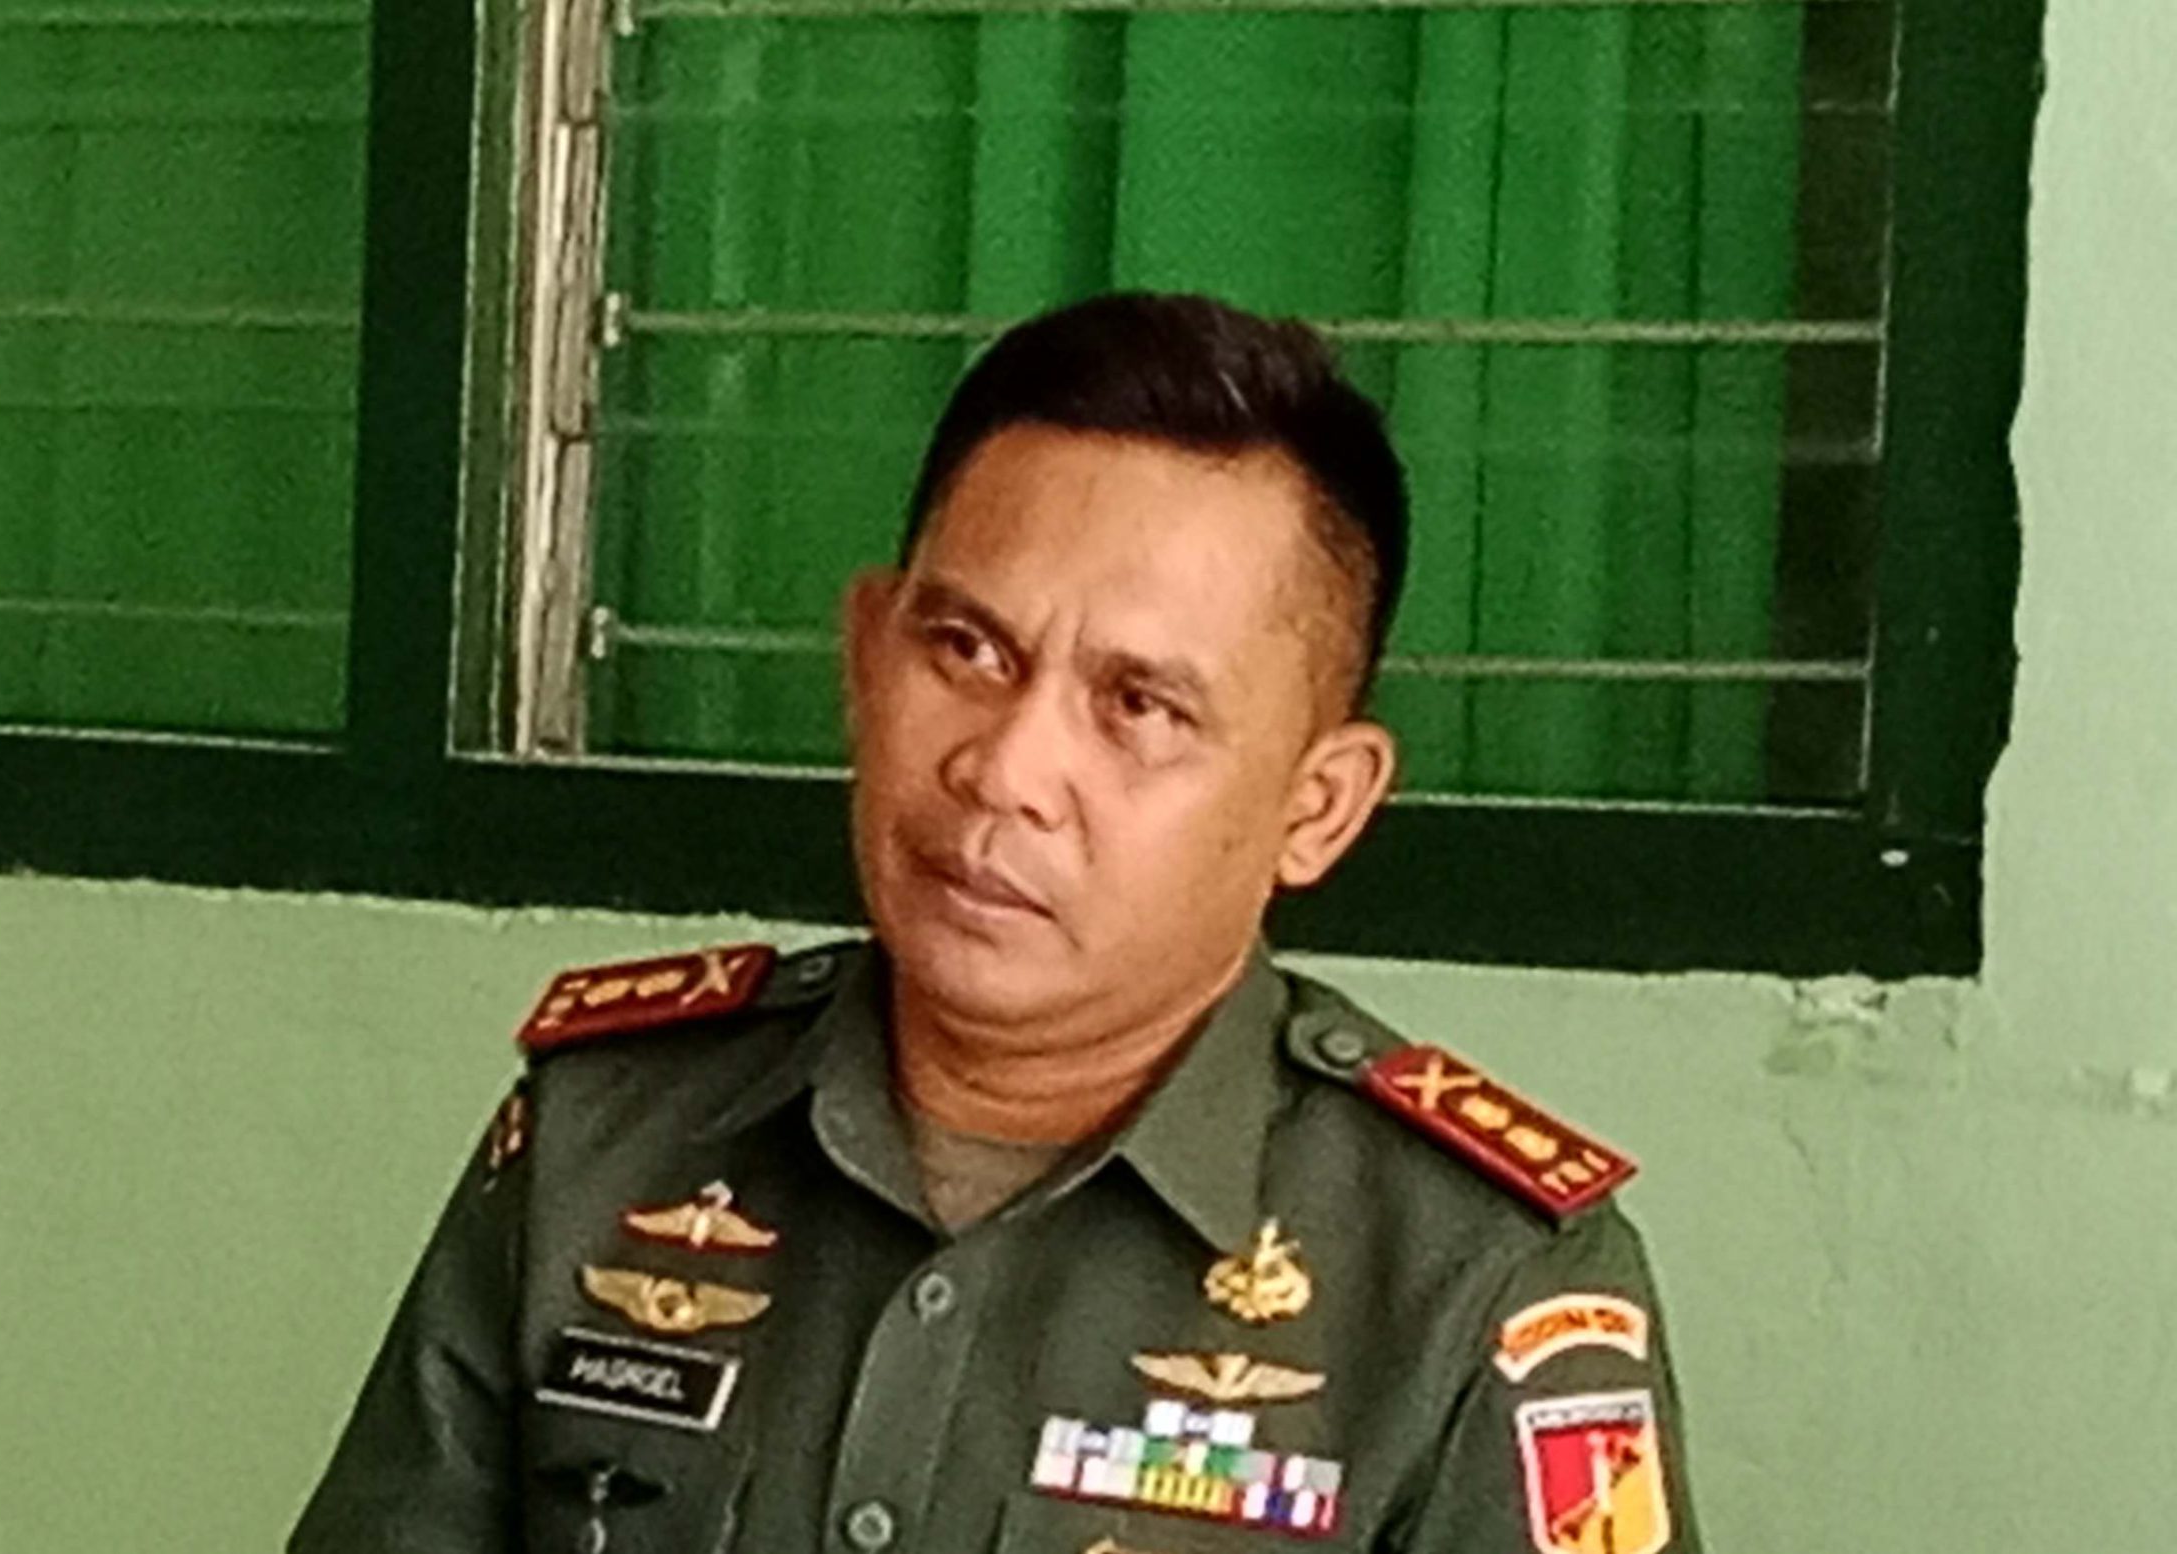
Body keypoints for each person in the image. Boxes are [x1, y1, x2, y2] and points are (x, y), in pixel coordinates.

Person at [289, 293, 1695, 1554]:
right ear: (865, 657)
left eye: (1139, 706)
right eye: (966, 649)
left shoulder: (1478, 1285)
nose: (1006, 768)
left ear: (1316, 807)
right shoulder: (605, 1138)